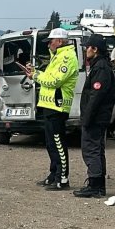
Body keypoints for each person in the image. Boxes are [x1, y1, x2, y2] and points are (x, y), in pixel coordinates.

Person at [24, 28, 78, 191]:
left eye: (51, 41)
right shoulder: (57, 57)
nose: (48, 44)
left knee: (58, 144)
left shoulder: (68, 58)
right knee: (50, 143)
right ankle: (53, 175)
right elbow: (48, 77)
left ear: (60, 41)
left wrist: (35, 76)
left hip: (58, 107)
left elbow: (54, 81)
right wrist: (35, 72)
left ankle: (63, 178)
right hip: (49, 106)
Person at [73, 33, 115, 198]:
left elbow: (95, 97)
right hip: (98, 118)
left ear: (95, 49)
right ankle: (96, 184)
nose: (85, 51)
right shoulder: (100, 66)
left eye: (87, 48)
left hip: (96, 118)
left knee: (92, 150)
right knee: (96, 150)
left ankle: (95, 185)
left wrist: (86, 119)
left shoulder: (101, 68)